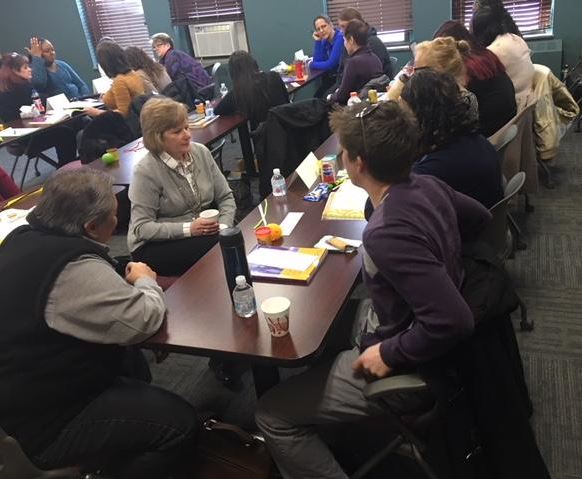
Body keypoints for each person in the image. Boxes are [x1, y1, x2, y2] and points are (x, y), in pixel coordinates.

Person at [255, 101, 491, 479]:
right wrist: (442, 256)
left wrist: (390, 351)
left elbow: (453, 319)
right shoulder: (428, 184)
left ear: (358, 163)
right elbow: (481, 217)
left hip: (413, 369)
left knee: (271, 414)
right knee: (324, 328)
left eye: (345, 152)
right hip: (418, 335)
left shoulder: (386, 231)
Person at [0, 168, 199, 478]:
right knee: (182, 425)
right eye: (114, 218)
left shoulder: (21, 239)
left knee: (134, 369)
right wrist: (147, 282)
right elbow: (143, 320)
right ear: (92, 227)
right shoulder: (73, 270)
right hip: (50, 422)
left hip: (22, 395)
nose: (117, 223)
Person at [128, 97, 236, 276]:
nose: (187, 135)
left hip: (201, 234)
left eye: (186, 127)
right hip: (153, 246)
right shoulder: (146, 170)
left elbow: (226, 197)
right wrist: (189, 229)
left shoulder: (200, 152)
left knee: (231, 237)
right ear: (157, 137)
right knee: (218, 249)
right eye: (177, 131)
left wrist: (224, 227)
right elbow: (142, 228)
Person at [402, 69, 503, 208]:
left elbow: (376, 208)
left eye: (406, 114)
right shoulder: (476, 140)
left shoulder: (432, 169)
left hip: (460, 228)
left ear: (422, 116)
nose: (404, 121)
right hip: (480, 222)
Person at [433, 21, 516, 136]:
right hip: (504, 123)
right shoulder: (486, 56)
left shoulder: (467, 70)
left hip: (487, 132)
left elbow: (456, 110)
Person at [0, 53, 77, 166]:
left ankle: (69, 166)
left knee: (70, 126)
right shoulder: (18, 90)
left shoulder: (20, 86)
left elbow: (39, 102)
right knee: (65, 133)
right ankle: (66, 169)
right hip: (26, 138)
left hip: (32, 132)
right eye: (25, 67)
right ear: (14, 71)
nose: (30, 70)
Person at [471, 5, 534, 109]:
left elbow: (476, 88)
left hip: (513, 109)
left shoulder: (493, 52)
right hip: (526, 102)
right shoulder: (515, 38)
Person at [214, 50, 289, 129]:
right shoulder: (274, 76)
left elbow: (217, 111)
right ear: (254, 63)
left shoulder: (238, 93)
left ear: (233, 73)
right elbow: (287, 101)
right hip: (289, 128)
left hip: (264, 138)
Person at [413, 37, 479, 120]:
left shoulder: (463, 103)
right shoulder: (431, 96)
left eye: (418, 71)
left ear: (438, 72)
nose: (413, 75)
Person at [84, 41, 147, 118]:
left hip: (125, 125)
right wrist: (108, 96)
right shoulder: (133, 74)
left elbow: (123, 113)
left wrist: (97, 112)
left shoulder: (119, 81)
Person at [329, 20, 383, 104]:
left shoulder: (353, 63)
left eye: (345, 40)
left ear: (351, 40)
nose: (345, 44)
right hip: (370, 106)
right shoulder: (375, 58)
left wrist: (330, 97)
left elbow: (341, 96)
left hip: (353, 109)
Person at [337, 7, 392, 77]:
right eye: (340, 27)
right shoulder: (349, 42)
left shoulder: (373, 43)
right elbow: (341, 71)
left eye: (343, 26)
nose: (341, 31)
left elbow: (373, 77)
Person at [311, 15, 344, 97]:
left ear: (331, 25)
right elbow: (318, 60)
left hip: (342, 79)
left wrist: (311, 64)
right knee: (316, 97)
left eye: (323, 26)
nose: (321, 30)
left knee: (321, 98)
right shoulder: (324, 40)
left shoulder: (340, 37)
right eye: (318, 29)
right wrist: (318, 42)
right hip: (331, 79)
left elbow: (330, 64)